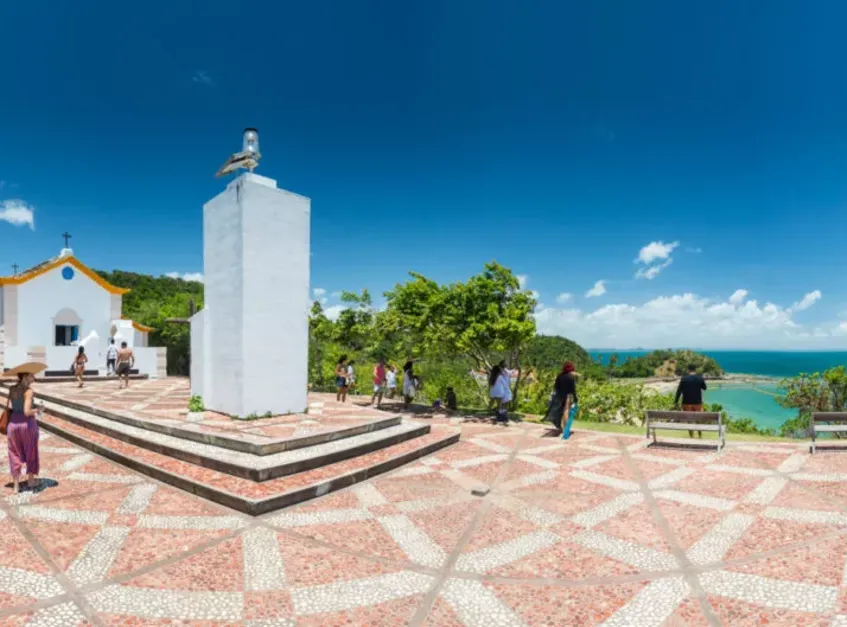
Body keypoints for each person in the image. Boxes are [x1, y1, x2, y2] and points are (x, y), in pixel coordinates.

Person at [5, 372, 43, 493]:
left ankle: (16, 486)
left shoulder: (12, 388)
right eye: (32, 375)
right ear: (26, 376)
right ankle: (31, 480)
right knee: (31, 451)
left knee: (14, 452)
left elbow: (11, 406)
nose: (34, 377)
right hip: (27, 425)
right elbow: (27, 412)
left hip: (13, 423)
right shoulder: (28, 391)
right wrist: (38, 409)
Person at [675, 364, 707, 438]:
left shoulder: (683, 379)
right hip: (697, 403)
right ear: (695, 370)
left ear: (688, 370)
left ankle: (691, 437)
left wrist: (676, 401)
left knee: (689, 420)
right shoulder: (700, 378)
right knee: (698, 420)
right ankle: (700, 436)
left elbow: (678, 391)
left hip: (686, 403)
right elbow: (705, 388)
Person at [546, 361, 578, 434]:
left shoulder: (559, 376)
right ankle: (565, 429)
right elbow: (573, 389)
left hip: (560, 395)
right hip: (568, 396)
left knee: (560, 411)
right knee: (566, 411)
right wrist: (575, 398)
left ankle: (561, 427)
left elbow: (556, 387)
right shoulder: (571, 377)